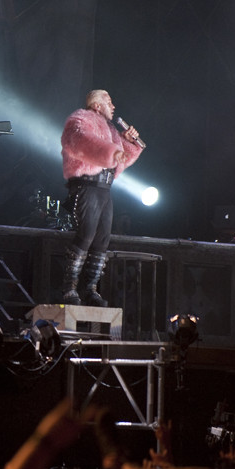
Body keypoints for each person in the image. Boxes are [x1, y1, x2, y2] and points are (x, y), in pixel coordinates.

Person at [60, 89, 144, 306]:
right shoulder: (80, 119)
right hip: (87, 185)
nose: (113, 106)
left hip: (105, 188)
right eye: (109, 101)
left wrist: (128, 144)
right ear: (97, 105)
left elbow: (119, 159)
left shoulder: (111, 130)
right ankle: (69, 288)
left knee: (102, 240)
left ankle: (90, 288)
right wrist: (112, 151)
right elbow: (81, 141)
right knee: (86, 234)